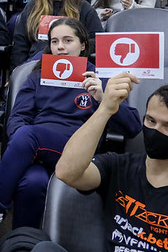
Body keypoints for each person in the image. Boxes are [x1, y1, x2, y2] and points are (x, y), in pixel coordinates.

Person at [0, 18, 141, 229]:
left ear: (83, 44)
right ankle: (21, 242)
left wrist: (104, 98)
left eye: (68, 40)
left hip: (80, 150)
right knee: (32, 182)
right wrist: (26, 150)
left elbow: (133, 127)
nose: (60, 47)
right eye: (55, 41)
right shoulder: (37, 76)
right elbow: (17, 119)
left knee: (28, 136)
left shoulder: (101, 77)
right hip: (36, 147)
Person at [47, 75, 167, 252]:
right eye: (151, 121)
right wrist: (105, 108)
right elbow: (66, 171)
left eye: (167, 126)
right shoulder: (120, 166)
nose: (155, 130)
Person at [10, 0, 103, 68]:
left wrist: (75, 45)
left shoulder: (83, 7)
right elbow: (20, 44)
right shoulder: (32, 6)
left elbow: (98, 41)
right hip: (35, 67)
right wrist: (16, 73)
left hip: (71, 67)